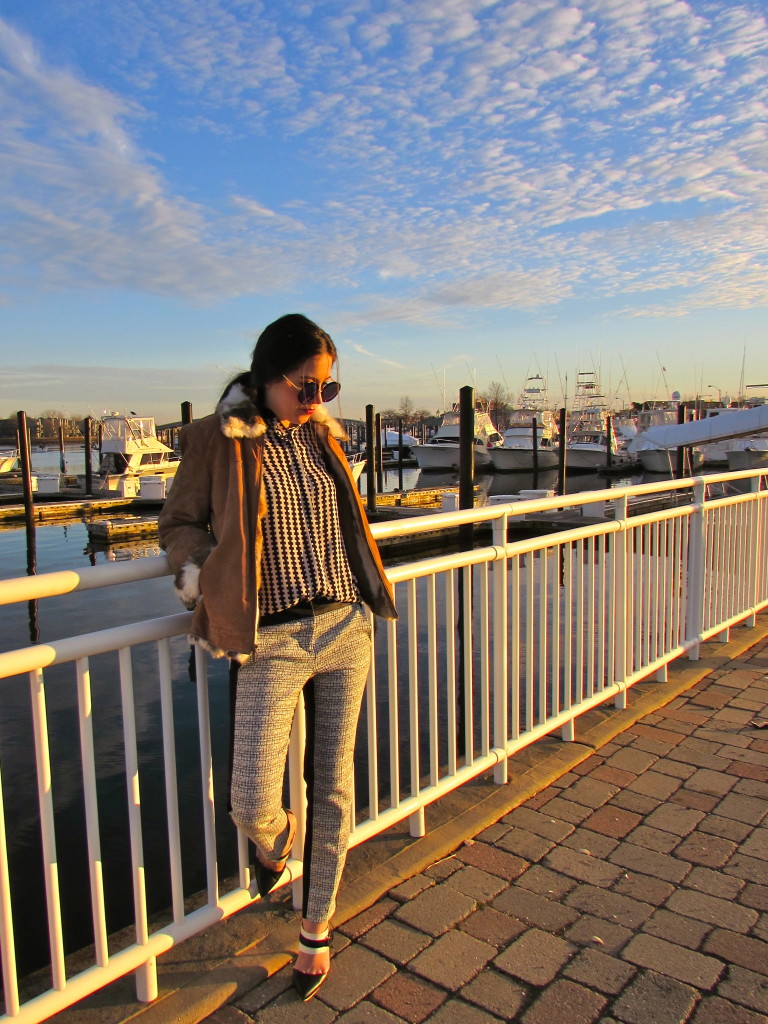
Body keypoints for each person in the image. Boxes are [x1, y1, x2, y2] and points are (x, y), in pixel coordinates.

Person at [158, 314, 397, 1001]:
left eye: (329, 387)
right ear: (267, 377)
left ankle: (316, 929)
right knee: (252, 798)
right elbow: (178, 522)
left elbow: (345, 520)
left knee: (334, 785)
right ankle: (275, 844)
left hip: (347, 623)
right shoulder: (215, 439)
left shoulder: (324, 436)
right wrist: (204, 573)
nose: (319, 400)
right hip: (273, 637)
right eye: (306, 386)